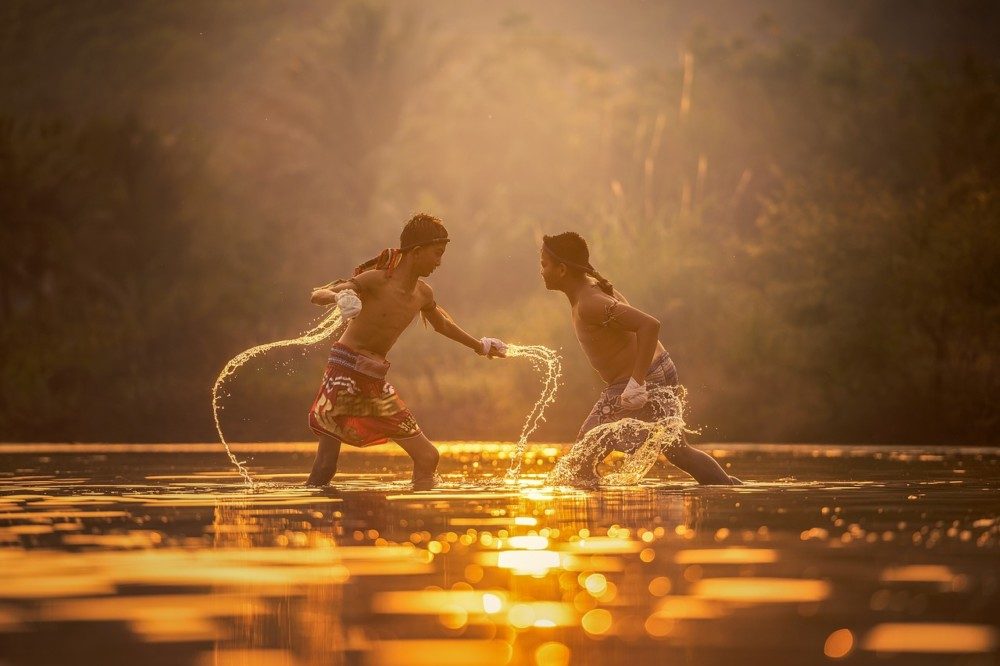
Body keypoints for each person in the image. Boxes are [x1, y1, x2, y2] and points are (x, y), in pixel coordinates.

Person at [306, 213, 507, 489]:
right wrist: (342, 296)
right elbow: (318, 295)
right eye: (437, 254)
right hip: (344, 371)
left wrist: (481, 346)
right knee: (327, 463)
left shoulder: (423, 294)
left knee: (427, 457)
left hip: (373, 381)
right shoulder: (376, 280)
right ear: (416, 252)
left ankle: (417, 514)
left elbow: (443, 325)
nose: (439, 262)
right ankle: (314, 518)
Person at [539, 231, 740, 486]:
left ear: (562, 269)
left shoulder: (591, 301)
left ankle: (599, 521)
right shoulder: (589, 293)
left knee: (580, 463)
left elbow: (649, 325)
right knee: (678, 451)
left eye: (544, 265)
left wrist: (637, 382)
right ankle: (731, 487)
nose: (541, 271)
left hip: (640, 378)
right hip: (654, 370)